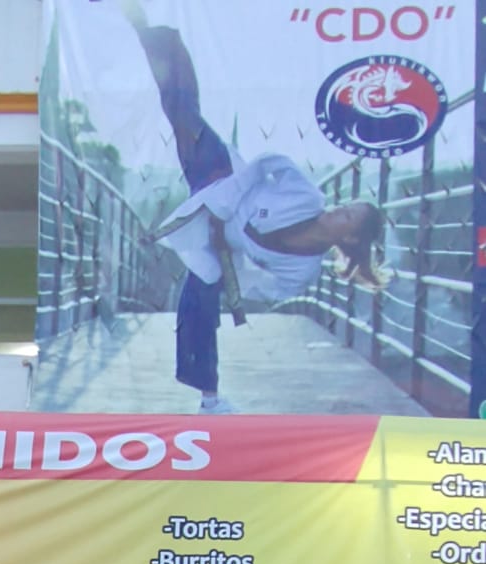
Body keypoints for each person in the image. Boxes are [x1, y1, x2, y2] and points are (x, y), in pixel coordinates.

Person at [121, 0, 388, 413]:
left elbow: (265, 287)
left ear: (351, 237)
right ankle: (155, 37)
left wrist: (229, 272)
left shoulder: (302, 270)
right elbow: (268, 162)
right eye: (346, 205)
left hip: (216, 245)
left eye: (348, 215)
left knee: (198, 305)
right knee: (182, 115)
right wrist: (225, 204)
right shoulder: (308, 198)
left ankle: (209, 397)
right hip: (221, 175)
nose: (339, 210)